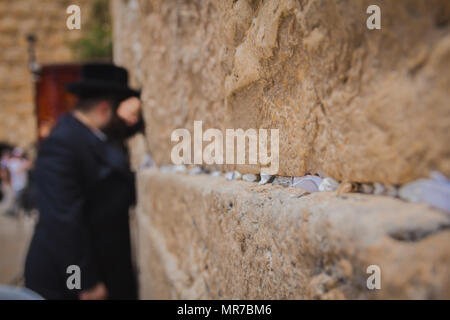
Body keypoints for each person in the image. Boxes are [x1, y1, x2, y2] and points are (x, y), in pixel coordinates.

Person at [25, 63, 143, 300]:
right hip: (75, 281)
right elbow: (63, 221)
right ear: (103, 109)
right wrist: (84, 283)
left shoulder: (91, 136)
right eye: (120, 113)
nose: (126, 121)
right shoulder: (62, 145)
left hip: (105, 267)